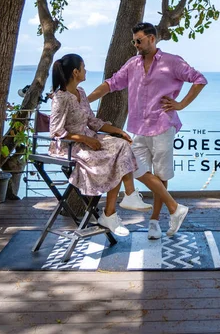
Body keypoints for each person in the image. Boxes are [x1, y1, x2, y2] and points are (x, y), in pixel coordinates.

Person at [88, 22, 208, 239]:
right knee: (131, 166)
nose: (136, 45)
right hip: (139, 129)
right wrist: (86, 99)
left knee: (161, 176)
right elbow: (111, 83)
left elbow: (199, 80)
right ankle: (174, 209)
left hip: (163, 125)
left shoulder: (172, 62)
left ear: (152, 39)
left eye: (139, 40)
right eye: (134, 41)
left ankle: (155, 222)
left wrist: (180, 105)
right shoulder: (132, 64)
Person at [49, 53, 152, 237]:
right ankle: (110, 214)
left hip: (89, 138)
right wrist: (85, 139)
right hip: (70, 146)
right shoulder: (60, 97)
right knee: (114, 157)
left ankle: (128, 195)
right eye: (83, 67)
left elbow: (92, 121)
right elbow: (56, 131)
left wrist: (118, 131)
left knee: (121, 145)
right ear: (75, 72)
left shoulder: (81, 93)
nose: (85, 70)